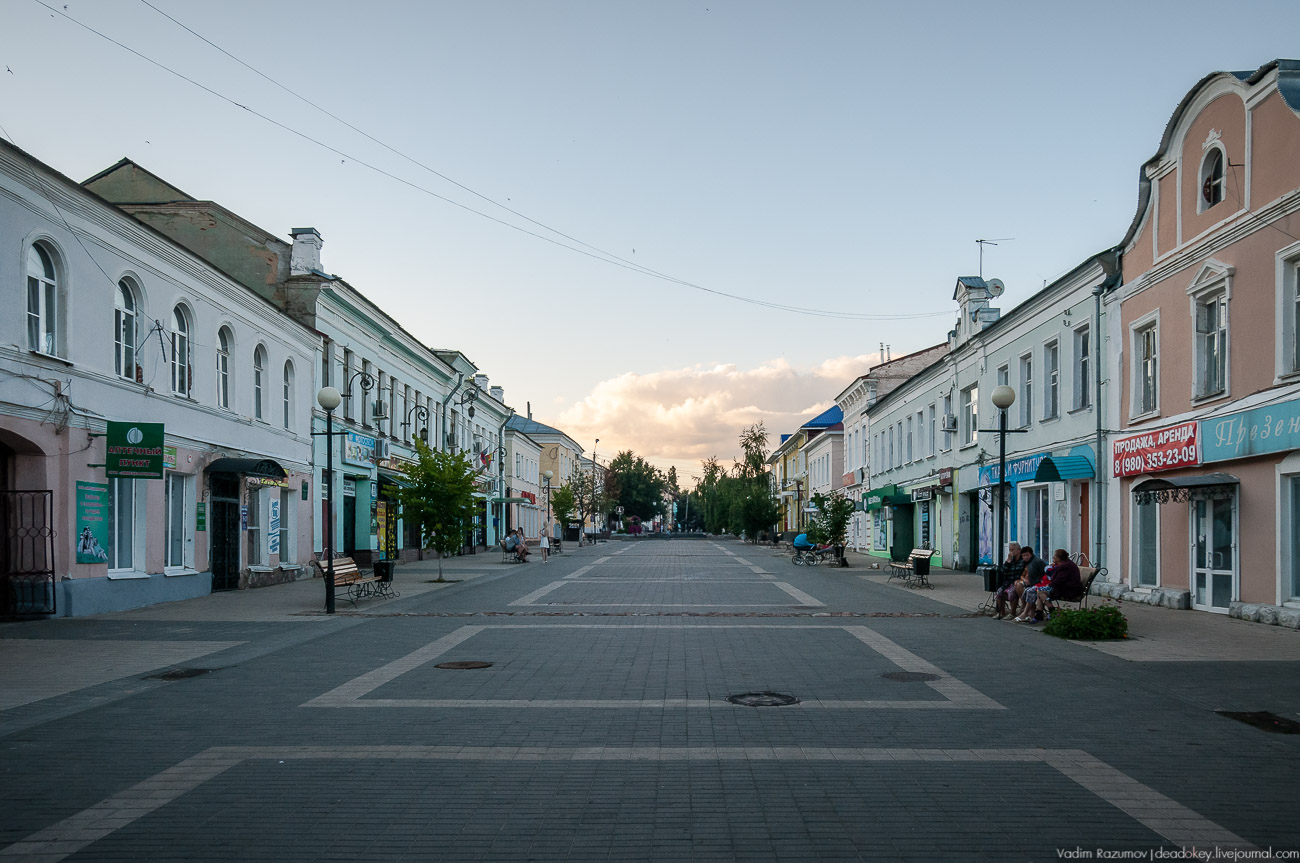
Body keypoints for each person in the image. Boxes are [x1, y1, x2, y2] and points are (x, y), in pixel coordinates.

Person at [1024, 548, 1083, 622]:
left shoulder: (1065, 566)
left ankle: (1051, 610)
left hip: (1069, 590)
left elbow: (1059, 580)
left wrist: (1048, 586)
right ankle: (1039, 614)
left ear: (1059, 558)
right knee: (1040, 590)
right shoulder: (1064, 564)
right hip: (1064, 588)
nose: (1053, 558)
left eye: (1054, 557)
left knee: (1040, 591)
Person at [1013, 546, 1050, 622]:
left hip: (1039, 583)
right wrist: (1024, 579)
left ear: (1031, 554)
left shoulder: (1036, 562)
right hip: (1029, 582)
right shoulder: (1024, 562)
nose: (1025, 557)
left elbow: (1044, 575)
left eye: (1027, 555)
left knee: (1028, 590)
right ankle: (1026, 606)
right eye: (1023, 556)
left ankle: (1029, 611)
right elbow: (1020, 574)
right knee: (1017, 584)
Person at [992, 542, 1024, 620]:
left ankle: (1012, 613)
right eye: (1010, 550)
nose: (1011, 552)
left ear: (1019, 550)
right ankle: (1001, 612)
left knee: (1011, 592)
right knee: (999, 592)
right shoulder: (1010, 560)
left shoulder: (1022, 561)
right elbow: (1002, 571)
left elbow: (1019, 570)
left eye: (1013, 549)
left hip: (1018, 582)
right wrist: (1008, 561)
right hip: (1009, 582)